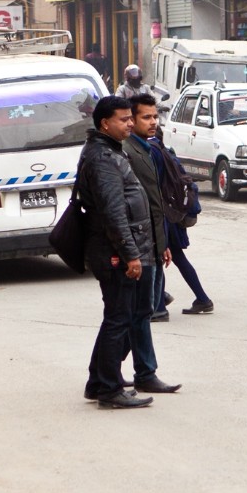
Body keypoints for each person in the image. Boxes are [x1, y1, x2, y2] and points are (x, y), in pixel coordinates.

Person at [76, 96, 155, 409]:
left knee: (117, 317)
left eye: (129, 118)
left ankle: (98, 382)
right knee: (119, 319)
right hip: (113, 251)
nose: (130, 124)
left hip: (116, 248)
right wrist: (130, 255)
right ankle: (109, 389)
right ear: (104, 123)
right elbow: (113, 212)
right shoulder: (103, 158)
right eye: (123, 120)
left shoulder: (108, 150)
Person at [121, 95, 180, 391]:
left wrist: (162, 244)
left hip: (152, 245)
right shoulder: (126, 152)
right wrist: (131, 250)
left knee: (138, 313)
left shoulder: (147, 148)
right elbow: (124, 207)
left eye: (155, 116)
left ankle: (106, 370)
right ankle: (141, 372)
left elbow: (153, 205)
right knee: (132, 315)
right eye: (146, 117)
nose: (154, 122)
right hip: (136, 248)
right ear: (131, 121)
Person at [148, 111, 212, 316]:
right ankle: (200, 299)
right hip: (174, 213)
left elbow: (154, 188)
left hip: (164, 216)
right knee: (176, 257)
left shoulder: (150, 153)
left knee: (160, 256)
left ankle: (159, 305)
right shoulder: (166, 151)